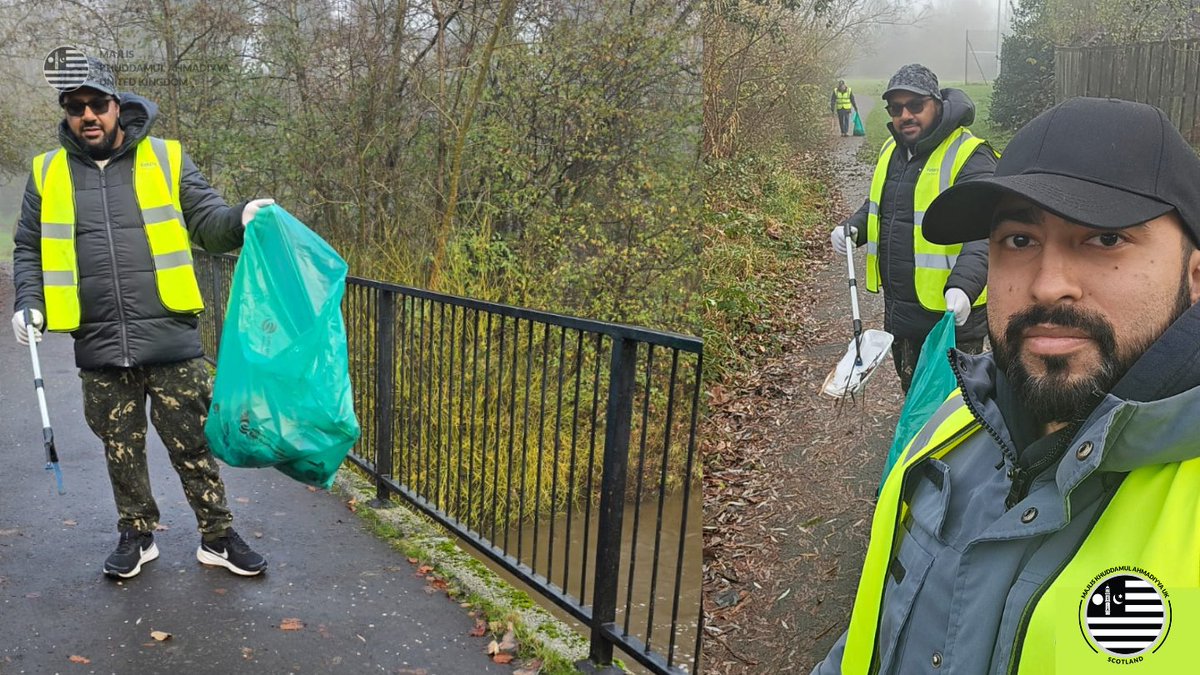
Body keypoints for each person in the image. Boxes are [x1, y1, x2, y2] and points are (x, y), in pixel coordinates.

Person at [813, 96, 1200, 672]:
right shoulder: (949, 429)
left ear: (1195, 276)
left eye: (1105, 239)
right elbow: (873, 634)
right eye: (1019, 240)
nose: (1047, 285)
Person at [11, 55, 274, 579]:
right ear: (67, 113)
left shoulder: (165, 157)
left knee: (193, 443)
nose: (88, 116)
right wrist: (28, 302)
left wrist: (240, 219)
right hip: (98, 339)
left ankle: (217, 535)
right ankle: (136, 533)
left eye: (97, 104)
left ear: (117, 105)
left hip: (169, 335)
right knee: (120, 448)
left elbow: (208, 221)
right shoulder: (46, 172)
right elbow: (28, 249)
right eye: (75, 107)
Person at [831, 64, 998, 392]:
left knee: (956, 407)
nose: (905, 115)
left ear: (937, 103)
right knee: (914, 399)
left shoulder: (970, 155)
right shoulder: (892, 151)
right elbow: (879, 205)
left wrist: (965, 285)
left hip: (952, 322)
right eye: (896, 109)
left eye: (915, 105)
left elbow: (988, 228)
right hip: (902, 315)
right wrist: (853, 228)